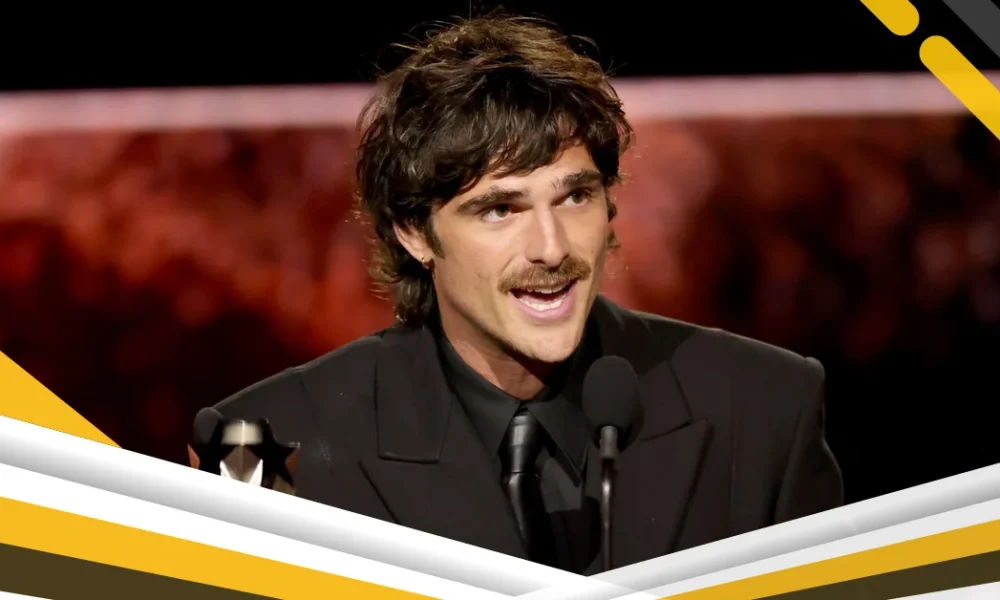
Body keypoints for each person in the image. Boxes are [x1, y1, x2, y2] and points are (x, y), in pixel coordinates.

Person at [205, 15, 843, 574]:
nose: (552, 248)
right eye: (500, 209)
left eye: (575, 196)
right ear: (415, 232)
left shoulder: (765, 407)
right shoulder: (259, 441)